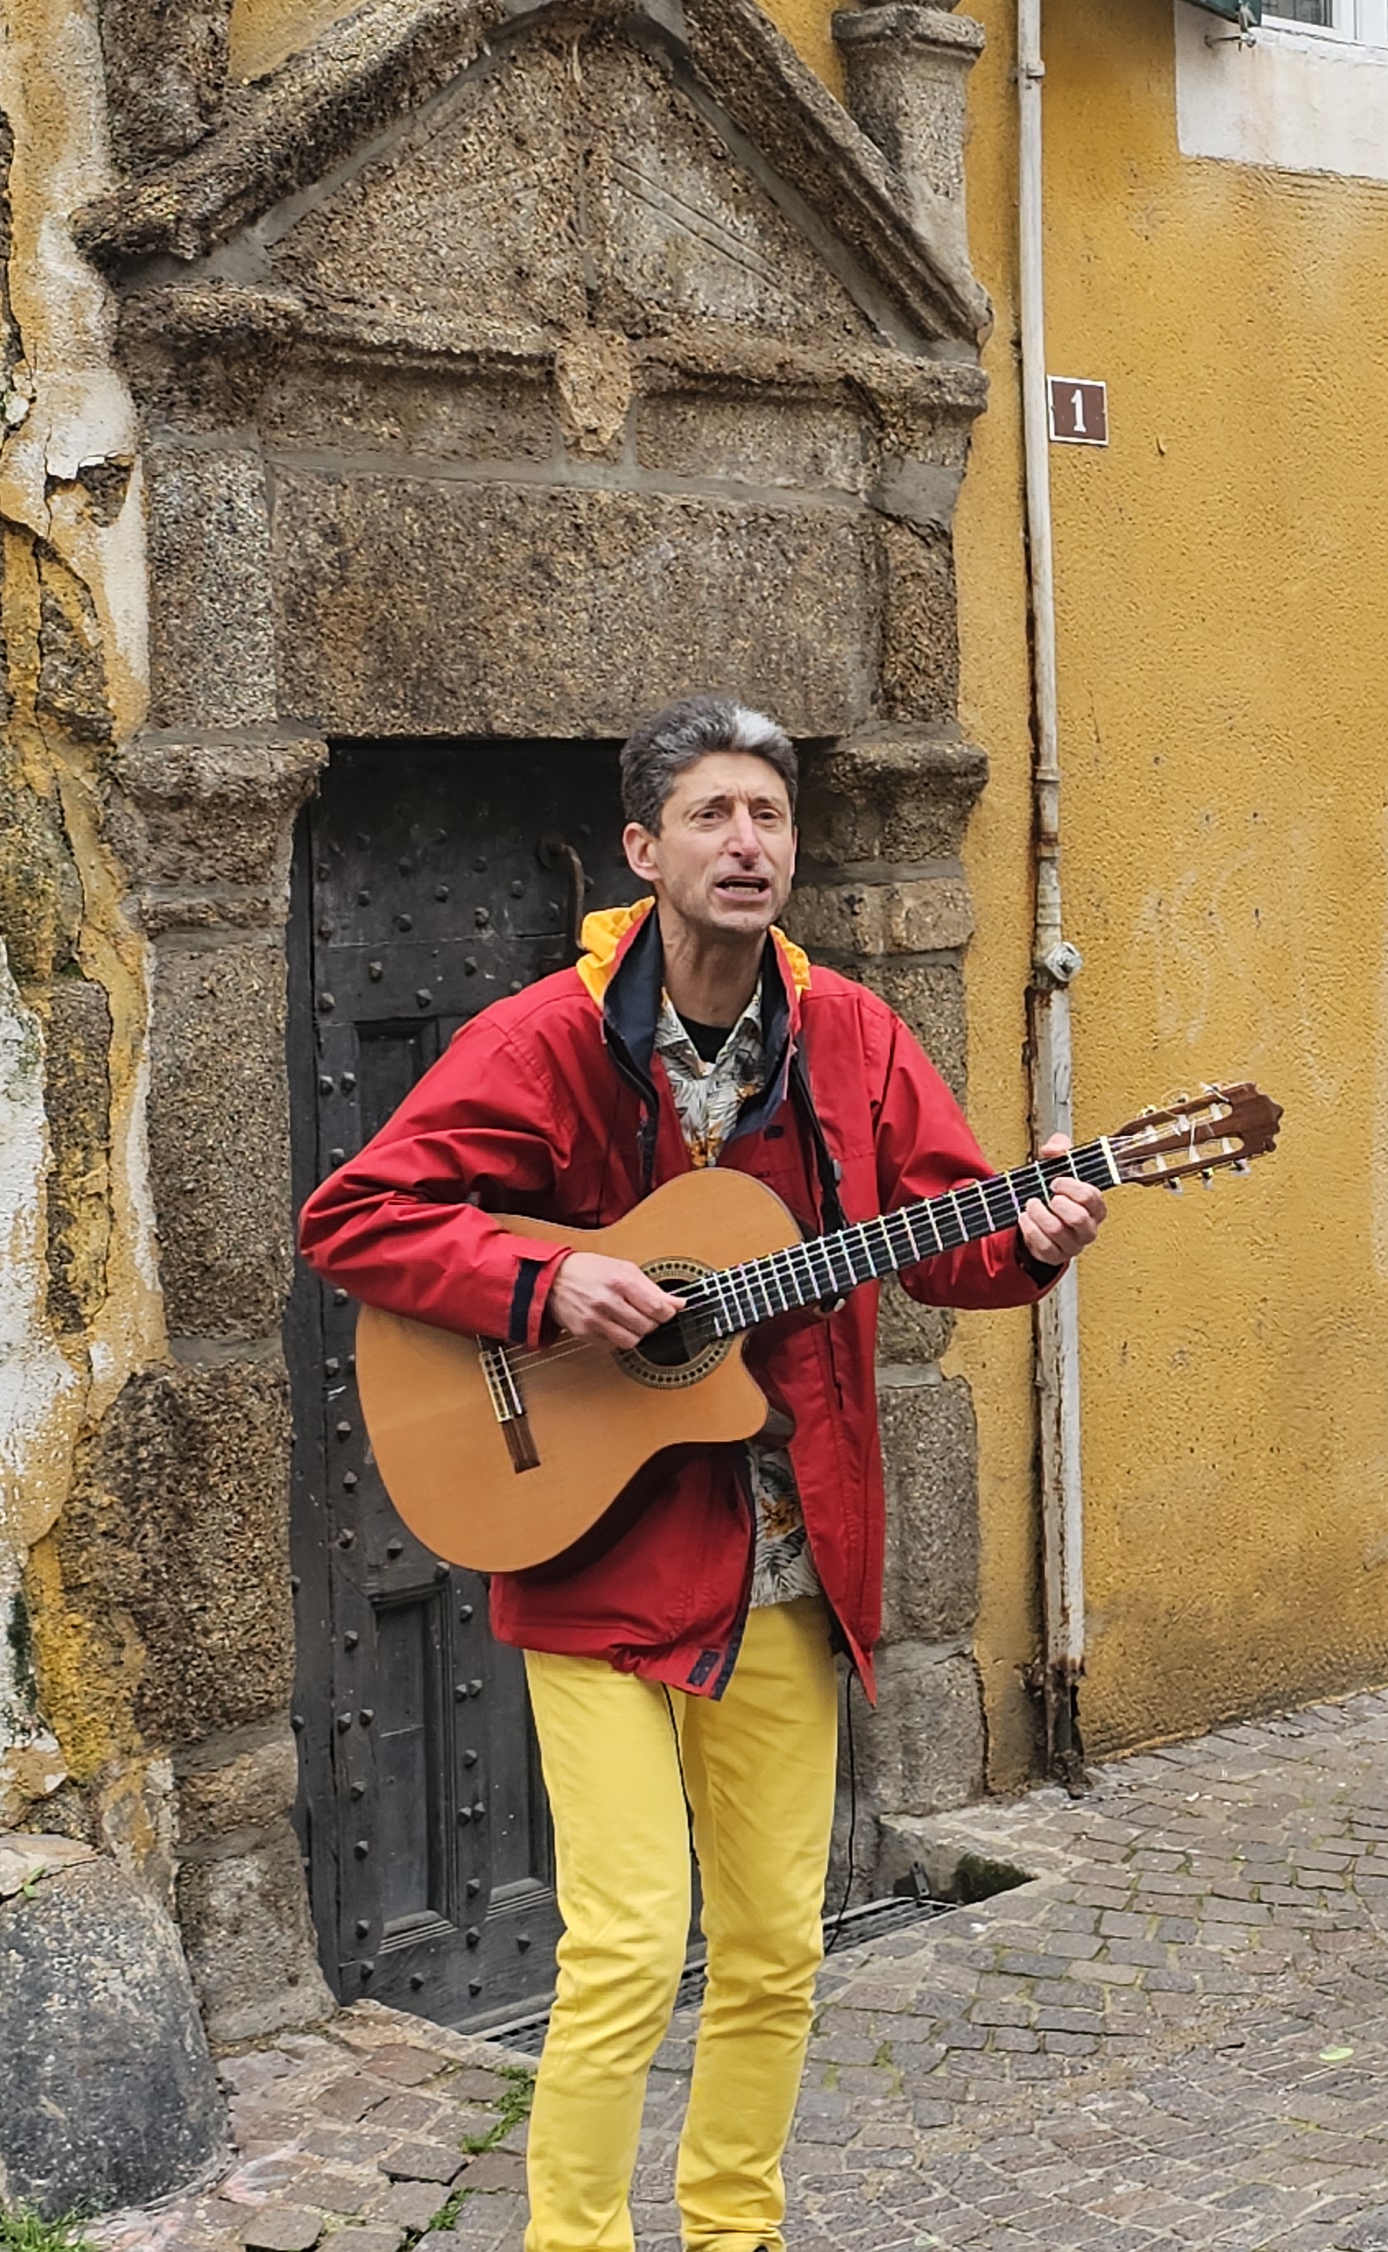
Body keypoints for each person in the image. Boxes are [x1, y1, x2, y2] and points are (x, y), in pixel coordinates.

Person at [299, 697, 1104, 2252]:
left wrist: (1036, 1234)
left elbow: (952, 1236)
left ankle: (735, 2233)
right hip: (594, 1559)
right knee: (618, 1944)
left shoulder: (854, 1038)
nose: (750, 845)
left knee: (771, 1948)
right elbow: (355, 1217)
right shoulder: (545, 1035)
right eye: (717, 816)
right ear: (643, 849)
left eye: (772, 819)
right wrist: (544, 1293)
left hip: (789, 1562)